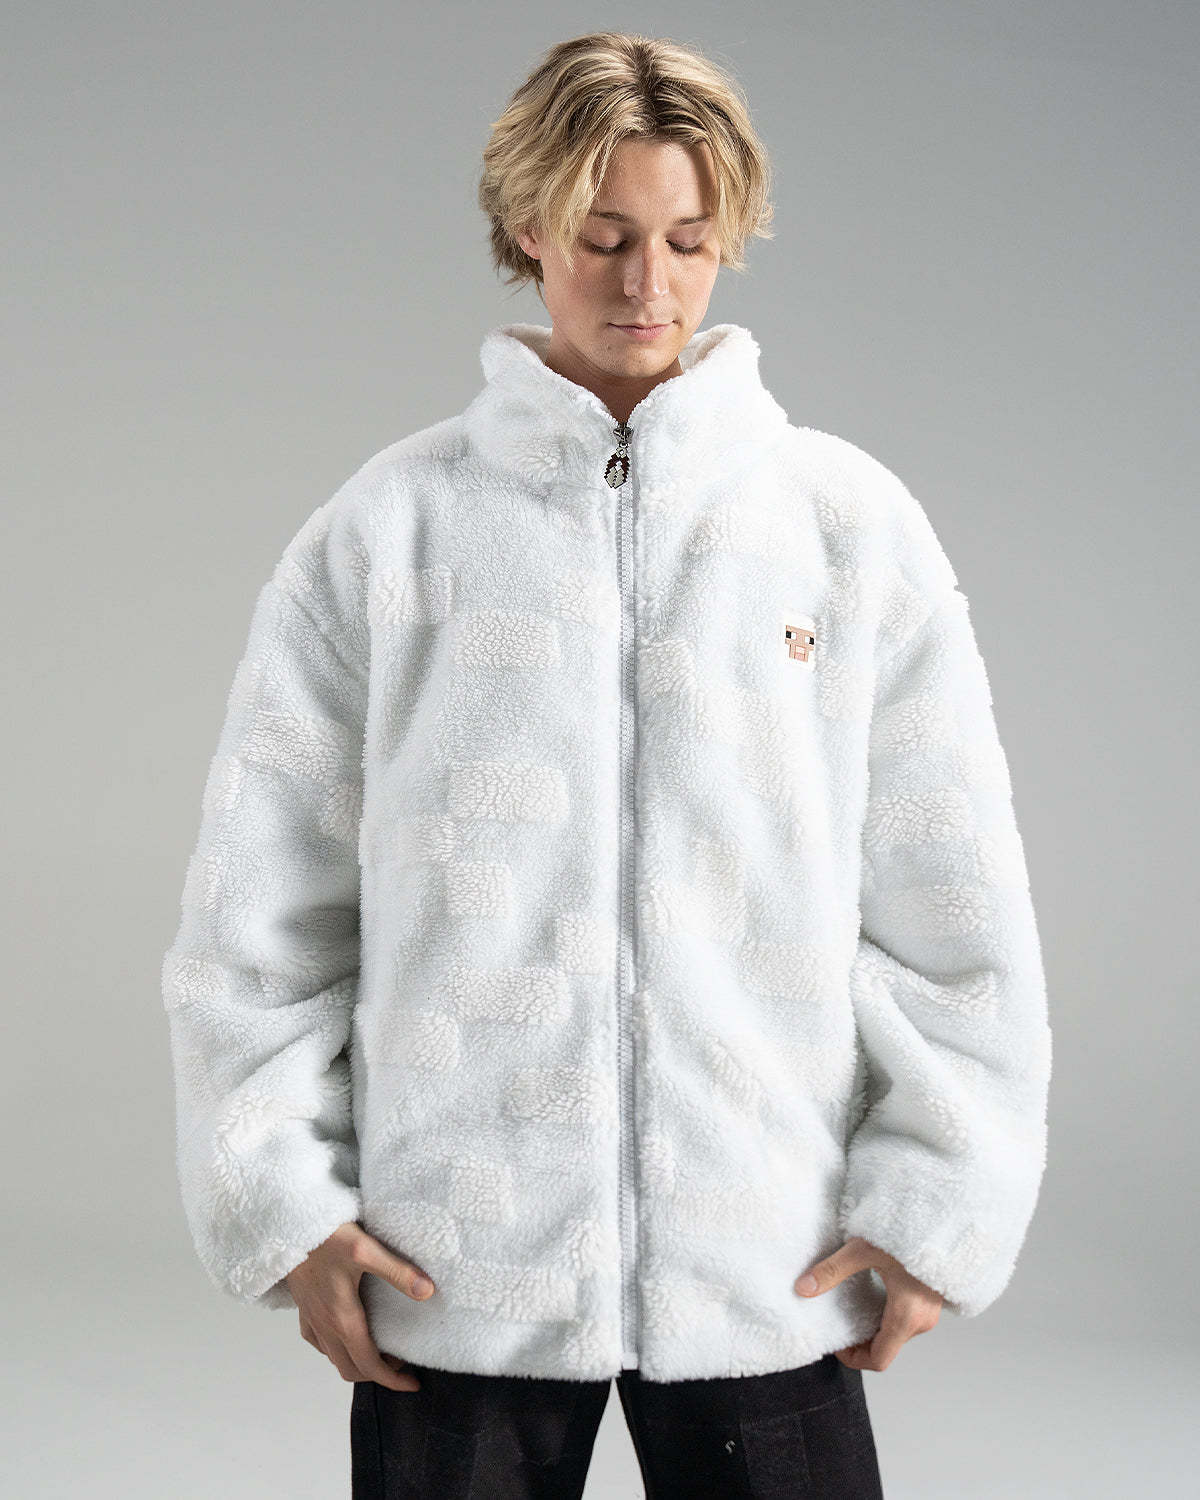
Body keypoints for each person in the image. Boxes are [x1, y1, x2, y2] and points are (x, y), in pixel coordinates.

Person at [161, 30, 1052, 1499]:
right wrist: (285, 1208)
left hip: (771, 1261)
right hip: (459, 1271)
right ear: (528, 227)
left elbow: (953, 905)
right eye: (605, 236)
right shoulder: (392, 533)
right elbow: (257, 915)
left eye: (689, 241)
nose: (649, 283)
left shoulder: (844, 531)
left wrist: (938, 1203)